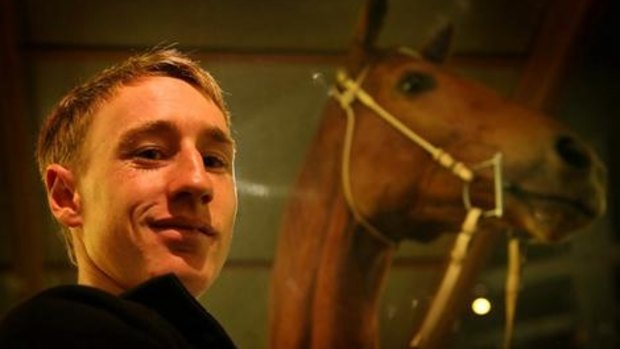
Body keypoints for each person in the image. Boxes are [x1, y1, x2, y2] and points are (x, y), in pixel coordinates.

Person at [0, 48, 238, 348]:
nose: (197, 180)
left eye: (214, 161)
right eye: (150, 153)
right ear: (66, 196)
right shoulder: (52, 334)